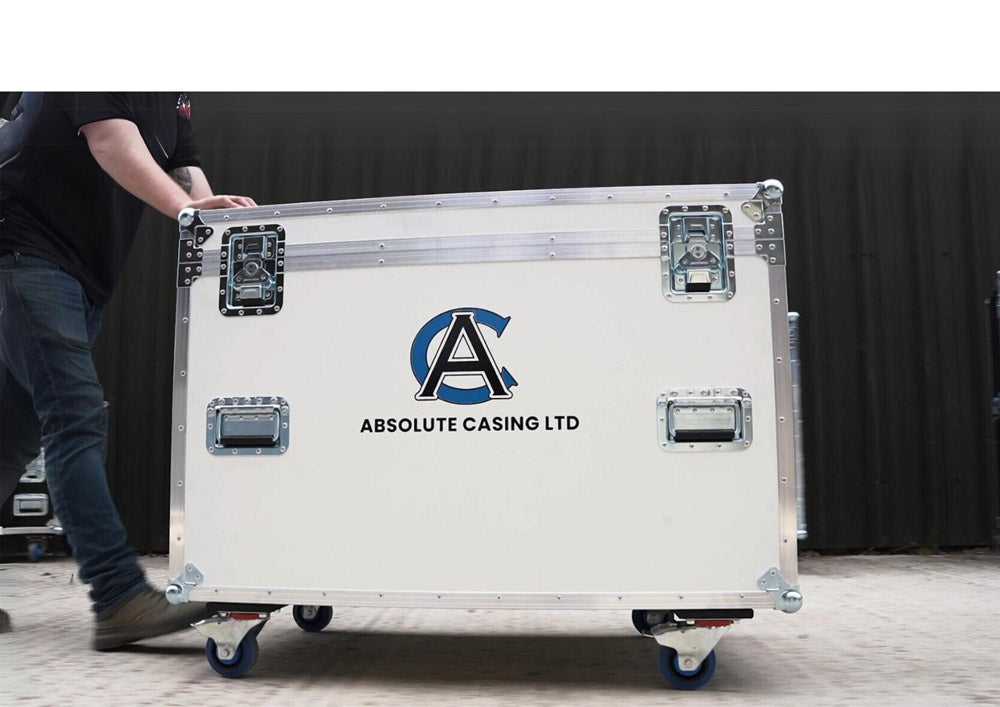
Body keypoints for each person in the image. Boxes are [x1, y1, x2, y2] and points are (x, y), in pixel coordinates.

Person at [0, 93, 256, 649]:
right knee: (74, 415)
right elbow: (109, 138)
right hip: (22, 247)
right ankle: (118, 596)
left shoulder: (173, 94)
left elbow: (182, 168)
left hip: (76, 269)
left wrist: (214, 219)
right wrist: (187, 213)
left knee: (12, 433)